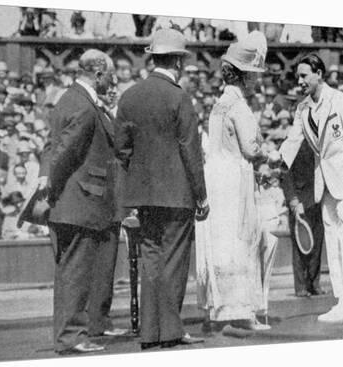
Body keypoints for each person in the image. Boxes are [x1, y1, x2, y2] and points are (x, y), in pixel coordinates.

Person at [114, 28, 208, 350]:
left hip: (144, 196)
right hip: (178, 194)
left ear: (153, 58)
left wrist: (137, 183)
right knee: (174, 263)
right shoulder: (179, 97)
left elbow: (121, 150)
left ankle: (150, 333)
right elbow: (190, 151)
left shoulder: (129, 96)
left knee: (151, 261)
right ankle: (169, 330)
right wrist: (202, 195)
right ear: (178, 62)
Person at [37, 49, 125, 354]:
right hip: (78, 201)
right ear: (98, 73)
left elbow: (52, 147)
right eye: (110, 76)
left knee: (70, 271)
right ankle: (71, 337)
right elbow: (62, 153)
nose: (112, 81)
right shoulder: (85, 107)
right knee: (75, 272)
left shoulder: (68, 99)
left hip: (71, 200)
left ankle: (74, 333)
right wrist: (51, 185)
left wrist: (47, 182)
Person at [276, 53, 343, 322]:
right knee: (333, 239)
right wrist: (273, 158)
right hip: (324, 182)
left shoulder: (340, 101)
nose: (300, 81)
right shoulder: (302, 108)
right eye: (298, 77)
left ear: (319, 74)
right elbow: (292, 142)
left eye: (305, 76)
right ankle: (342, 300)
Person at [195, 31, 274, 332]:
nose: (257, 81)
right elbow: (250, 149)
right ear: (243, 77)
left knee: (222, 243)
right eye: (254, 76)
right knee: (242, 241)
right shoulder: (239, 106)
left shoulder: (218, 105)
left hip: (216, 179)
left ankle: (219, 310)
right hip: (234, 181)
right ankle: (242, 312)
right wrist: (269, 156)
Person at [281, 139, 325, 297]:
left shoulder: (319, 143)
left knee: (317, 246)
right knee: (300, 248)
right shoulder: (290, 145)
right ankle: (300, 287)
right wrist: (292, 199)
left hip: (318, 202)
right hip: (299, 203)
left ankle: (314, 283)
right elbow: (285, 176)